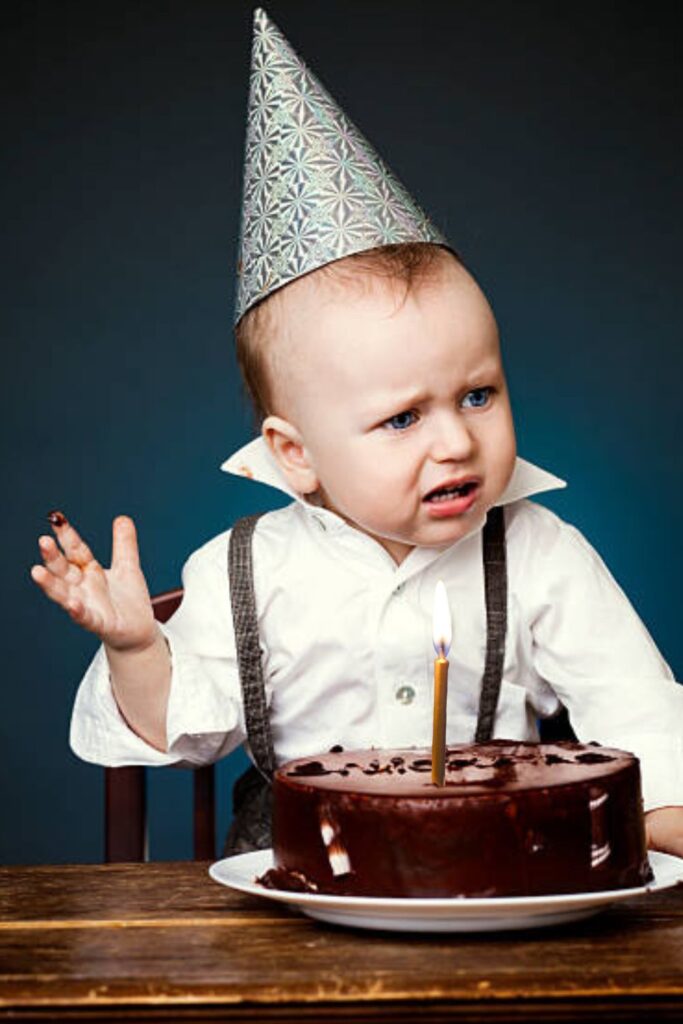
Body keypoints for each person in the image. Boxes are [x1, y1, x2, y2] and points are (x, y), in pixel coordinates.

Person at [31, 9, 683, 858]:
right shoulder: (245, 571)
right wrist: (135, 647)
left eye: (477, 394)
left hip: (491, 861)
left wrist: (655, 828)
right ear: (295, 453)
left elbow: (643, 721)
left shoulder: (539, 553)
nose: (454, 442)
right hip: (294, 878)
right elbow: (179, 733)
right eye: (402, 417)